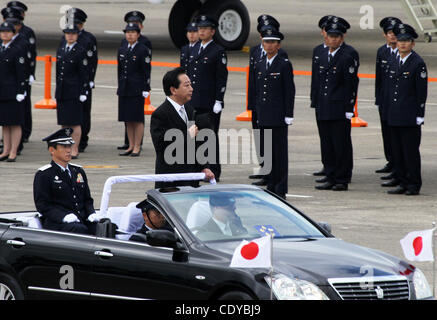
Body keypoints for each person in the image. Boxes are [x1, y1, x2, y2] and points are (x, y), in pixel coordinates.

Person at [248, 28, 295, 199]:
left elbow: (289, 91)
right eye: (266, 42)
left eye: (273, 42)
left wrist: (288, 114)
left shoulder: (284, 64)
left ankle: (280, 187)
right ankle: (271, 185)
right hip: (264, 114)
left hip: (278, 115)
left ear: (278, 45)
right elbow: (258, 91)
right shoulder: (260, 63)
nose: (269, 45)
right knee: (268, 153)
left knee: (279, 154)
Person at [150, 67, 215, 188]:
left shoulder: (189, 109)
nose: (191, 89)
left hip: (190, 178)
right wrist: (187, 135)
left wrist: (204, 167)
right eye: (187, 86)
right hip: (171, 180)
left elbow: (198, 143)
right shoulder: (160, 114)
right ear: (173, 90)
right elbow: (161, 145)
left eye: (190, 85)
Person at [313, 22, 356, 191]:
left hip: (339, 108)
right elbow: (318, 82)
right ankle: (330, 175)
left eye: (336, 37)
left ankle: (341, 178)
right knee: (327, 144)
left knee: (340, 144)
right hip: (324, 106)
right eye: (331, 37)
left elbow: (350, 84)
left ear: (342, 38)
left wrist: (348, 108)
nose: (333, 40)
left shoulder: (346, 57)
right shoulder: (323, 55)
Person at [386, 24, 427, 196]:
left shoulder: (417, 63)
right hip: (395, 114)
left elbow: (421, 92)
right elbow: (390, 88)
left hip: (409, 115)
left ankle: (413, 183)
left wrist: (419, 114)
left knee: (410, 151)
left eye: (406, 41)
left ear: (412, 44)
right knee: (398, 151)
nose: (402, 44)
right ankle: (402, 181)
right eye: (400, 41)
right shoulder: (394, 60)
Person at [33, 128, 99, 234]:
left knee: (106, 227)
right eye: (64, 147)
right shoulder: (44, 174)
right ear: (52, 150)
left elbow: (87, 199)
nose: (68, 150)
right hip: (58, 223)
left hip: (81, 220)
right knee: (79, 229)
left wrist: (91, 213)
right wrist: (63, 217)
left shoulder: (78, 171)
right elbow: (43, 205)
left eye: (69, 146)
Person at [186, 15, 228, 181]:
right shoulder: (194, 48)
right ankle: (197, 169)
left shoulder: (218, 51)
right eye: (199, 29)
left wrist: (219, 99)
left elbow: (221, 78)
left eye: (205, 29)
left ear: (212, 31)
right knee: (193, 137)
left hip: (209, 103)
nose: (201, 31)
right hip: (193, 102)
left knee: (210, 138)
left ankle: (214, 171)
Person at [62, 8, 98, 153]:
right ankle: (68, 141)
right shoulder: (65, 38)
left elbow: (92, 62)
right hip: (68, 84)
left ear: (81, 25)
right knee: (68, 115)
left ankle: (82, 139)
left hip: (83, 81)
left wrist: (90, 80)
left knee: (83, 111)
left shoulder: (88, 38)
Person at [118, 10, 152, 151]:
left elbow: (146, 70)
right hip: (125, 87)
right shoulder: (123, 48)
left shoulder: (143, 49)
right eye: (127, 32)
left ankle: (137, 146)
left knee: (137, 119)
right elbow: (120, 70)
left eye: (132, 32)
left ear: (138, 34)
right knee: (127, 119)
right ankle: (130, 145)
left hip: (136, 88)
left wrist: (146, 88)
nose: (129, 34)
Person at [55, 24, 89, 159]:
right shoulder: (62, 48)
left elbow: (83, 74)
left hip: (74, 91)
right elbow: (59, 72)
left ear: (77, 35)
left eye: (73, 33)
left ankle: (74, 148)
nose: (70, 36)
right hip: (63, 91)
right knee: (64, 122)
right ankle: (66, 146)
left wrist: (83, 92)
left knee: (74, 122)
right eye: (67, 33)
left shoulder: (80, 51)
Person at [375, 17, 402, 184]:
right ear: (385, 35)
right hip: (385, 99)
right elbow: (379, 78)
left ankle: (397, 165)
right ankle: (391, 161)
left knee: (395, 134)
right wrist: (378, 97)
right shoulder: (382, 51)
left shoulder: (401, 52)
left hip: (396, 101)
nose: (392, 36)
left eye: (395, 33)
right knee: (386, 132)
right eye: (389, 33)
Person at [6, 1, 36, 145]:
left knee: (23, 105)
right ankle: (8, 140)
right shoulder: (4, 34)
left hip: (21, 75)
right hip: (7, 79)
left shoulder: (26, 33)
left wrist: (31, 73)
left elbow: (31, 54)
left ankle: (24, 132)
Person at [0, 21, 27, 162]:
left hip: (13, 91)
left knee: (15, 122)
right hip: (2, 91)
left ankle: (13, 151)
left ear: (13, 33)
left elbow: (21, 72)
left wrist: (21, 90)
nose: (4, 34)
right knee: (5, 123)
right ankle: (5, 150)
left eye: (8, 31)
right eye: (2, 31)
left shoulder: (17, 49)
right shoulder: (1, 48)